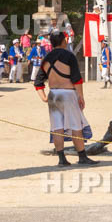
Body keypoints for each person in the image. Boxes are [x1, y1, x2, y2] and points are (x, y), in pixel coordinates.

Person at [34, 30, 96, 166]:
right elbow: (77, 79)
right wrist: (81, 96)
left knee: (57, 127)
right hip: (68, 94)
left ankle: (62, 159)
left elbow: (38, 82)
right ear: (63, 41)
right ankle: (82, 157)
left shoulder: (46, 58)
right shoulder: (69, 56)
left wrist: (44, 97)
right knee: (76, 126)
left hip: (53, 94)